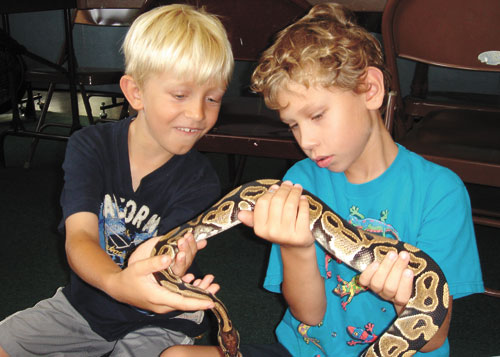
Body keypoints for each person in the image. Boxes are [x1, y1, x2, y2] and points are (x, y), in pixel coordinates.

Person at [163, 3, 484, 356]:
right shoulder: (299, 182)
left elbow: (434, 339)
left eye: (317, 115)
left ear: (370, 90)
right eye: (294, 125)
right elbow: (309, 315)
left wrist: (404, 300)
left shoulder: (439, 192)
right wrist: (296, 246)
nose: (306, 141)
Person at [0, 4, 234, 356]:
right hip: (86, 302)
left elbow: (164, 262)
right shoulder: (89, 146)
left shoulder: (201, 180)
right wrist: (116, 283)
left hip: (161, 314)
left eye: (212, 98)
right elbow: (79, 237)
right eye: (180, 95)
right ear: (135, 92)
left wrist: (172, 267)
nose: (199, 113)